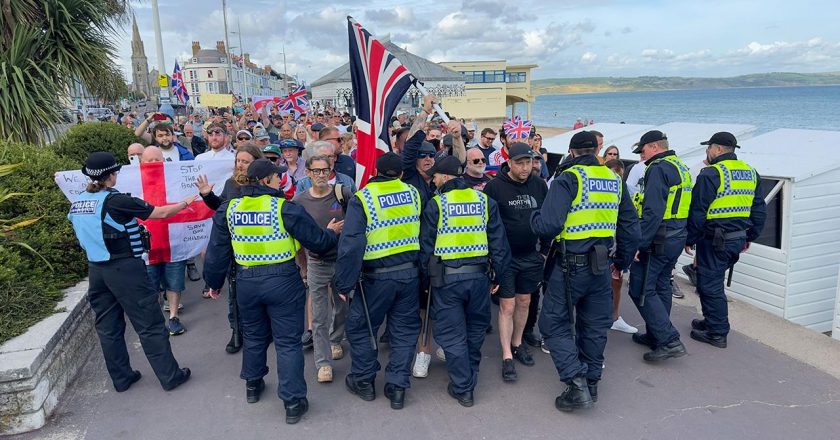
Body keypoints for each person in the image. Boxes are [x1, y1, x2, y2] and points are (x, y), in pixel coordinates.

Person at [203, 158, 342, 424]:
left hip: (246, 282)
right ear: (266, 181)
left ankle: (253, 385)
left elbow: (217, 250)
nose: (280, 179)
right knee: (288, 342)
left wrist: (213, 283)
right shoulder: (284, 208)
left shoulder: (229, 208)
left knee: (254, 336)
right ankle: (293, 402)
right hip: (282, 281)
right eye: (276, 177)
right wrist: (331, 233)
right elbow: (318, 242)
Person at [530, 131, 639, 412]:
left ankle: (576, 384)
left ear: (572, 151)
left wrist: (534, 217)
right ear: (597, 149)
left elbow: (549, 225)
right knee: (593, 325)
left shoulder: (569, 178)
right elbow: (630, 225)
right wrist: (621, 263)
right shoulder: (614, 180)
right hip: (602, 266)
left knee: (553, 324)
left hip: (570, 265)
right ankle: (592, 383)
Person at [67, 152, 193, 393]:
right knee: (150, 324)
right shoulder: (116, 201)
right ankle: (170, 376)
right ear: (110, 176)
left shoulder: (79, 201)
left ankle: (122, 378)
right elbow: (161, 213)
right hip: (126, 269)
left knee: (108, 328)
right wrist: (186, 202)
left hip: (96, 270)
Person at [418, 156, 511, 407]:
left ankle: (463, 387)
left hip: (448, 280)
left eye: (436, 176)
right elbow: (499, 244)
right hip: (479, 278)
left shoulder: (436, 204)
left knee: (452, 334)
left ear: (446, 178)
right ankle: (470, 378)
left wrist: (426, 281)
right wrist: (499, 276)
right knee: (474, 331)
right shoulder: (484, 201)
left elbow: (426, 249)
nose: (434, 179)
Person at [334, 152, 423, 410]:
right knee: (404, 331)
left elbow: (351, 245)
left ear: (375, 170)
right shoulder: (413, 194)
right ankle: (397, 387)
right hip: (408, 274)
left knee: (362, 329)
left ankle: (363, 381)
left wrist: (344, 283)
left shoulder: (363, 198)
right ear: (402, 174)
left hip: (374, 279)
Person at [686, 132, 767, 348]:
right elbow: (759, 209)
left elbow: (698, 211)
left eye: (709, 147)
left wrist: (690, 238)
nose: (707, 151)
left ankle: (717, 332)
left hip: (714, 239)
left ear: (718, 149)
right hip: (736, 238)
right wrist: (750, 236)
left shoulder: (712, 173)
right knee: (711, 282)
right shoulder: (751, 172)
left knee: (710, 285)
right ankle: (711, 321)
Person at [483, 143, 548, 382]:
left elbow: (548, 218)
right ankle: (507, 355)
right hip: (505, 257)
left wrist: (544, 250)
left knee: (525, 301)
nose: (525, 167)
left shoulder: (539, 184)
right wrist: (491, 258)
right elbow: (487, 224)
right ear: (509, 163)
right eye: (519, 163)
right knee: (506, 306)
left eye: (529, 162)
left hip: (531, 255)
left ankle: (518, 343)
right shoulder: (495, 187)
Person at [626, 131, 691, 361]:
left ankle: (668, 340)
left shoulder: (658, 168)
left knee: (640, 288)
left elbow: (653, 211)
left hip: (658, 239)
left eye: (642, 150)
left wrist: (639, 244)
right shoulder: (680, 166)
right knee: (662, 285)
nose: (641, 156)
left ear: (654, 146)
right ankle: (656, 334)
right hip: (676, 236)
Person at [196, 142, 265, 353]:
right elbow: (222, 211)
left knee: (261, 292)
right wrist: (208, 196)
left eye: (245, 161)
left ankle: (262, 329)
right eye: (238, 161)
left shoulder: (265, 182)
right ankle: (236, 331)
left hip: (263, 246)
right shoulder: (230, 184)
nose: (241, 165)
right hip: (236, 249)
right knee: (235, 293)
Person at [292, 154, 351, 384]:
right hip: (316, 263)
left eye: (324, 170)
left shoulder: (342, 194)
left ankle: (336, 339)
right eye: (315, 171)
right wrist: (302, 265)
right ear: (307, 173)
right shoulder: (299, 201)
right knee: (318, 315)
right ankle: (323, 362)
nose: (320, 175)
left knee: (341, 306)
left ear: (330, 171)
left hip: (341, 262)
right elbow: (296, 235)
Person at [138, 146, 189, 335]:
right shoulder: (133, 181)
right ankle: (156, 321)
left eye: (156, 160)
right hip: (147, 247)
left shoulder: (174, 178)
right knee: (150, 287)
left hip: (174, 241)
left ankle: (174, 317)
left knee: (174, 283)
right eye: (148, 161)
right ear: (141, 162)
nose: (153, 164)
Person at [604, 159, 637, 334]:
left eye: (620, 176)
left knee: (617, 280)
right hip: (602, 244)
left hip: (618, 243)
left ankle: (614, 317)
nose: (617, 179)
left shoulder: (624, 190)